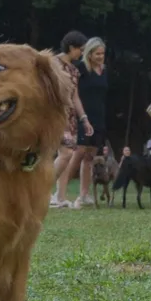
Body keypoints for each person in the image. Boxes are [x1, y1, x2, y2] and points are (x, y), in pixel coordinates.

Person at [50, 31, 94, 209]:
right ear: (71, 48)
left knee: (66, 157)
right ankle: (41, 190)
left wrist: (84, 118)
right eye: (80, 50)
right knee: (67, 153)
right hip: (55, 114)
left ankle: (59, 197)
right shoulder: (52, 64)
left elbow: (75, 97)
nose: (82, 54)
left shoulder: (75, 70)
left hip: (71, 117)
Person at [71, 37, 108, 209]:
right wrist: (82, 117)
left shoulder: (104, 70)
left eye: (103, 53)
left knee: (90, 157)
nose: (101, 56)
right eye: (97, 53)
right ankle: (60, 192)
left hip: (99, 116)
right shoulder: (80, 69)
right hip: (83, 115)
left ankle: (84, 195)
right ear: (89, 53)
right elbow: (74, 94)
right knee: (78, 153)